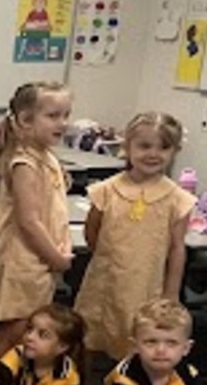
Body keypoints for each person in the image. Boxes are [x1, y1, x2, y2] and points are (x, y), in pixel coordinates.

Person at [74, 113, 194, 362]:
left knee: (137, 339)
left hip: (146, 285)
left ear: (175, 151)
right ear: (127, 147)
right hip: (104, 280)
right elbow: (92, 230)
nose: (153, 153)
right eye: (144, 146)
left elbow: (176, 249)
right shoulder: (106, 190)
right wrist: (107, 257)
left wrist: (171, 294)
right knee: (89, 335)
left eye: (164, 147)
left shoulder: (177, 199)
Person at [0, 82, 73, 356]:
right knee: (16, 333)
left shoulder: (45, 156)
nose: (62, 123)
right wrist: (56, 258)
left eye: (65, 115)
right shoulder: (24, 163)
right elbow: (29, 221)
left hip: (38, 262)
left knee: (29, 331)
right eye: (52, 115)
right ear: (25, 120)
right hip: (22, 263)